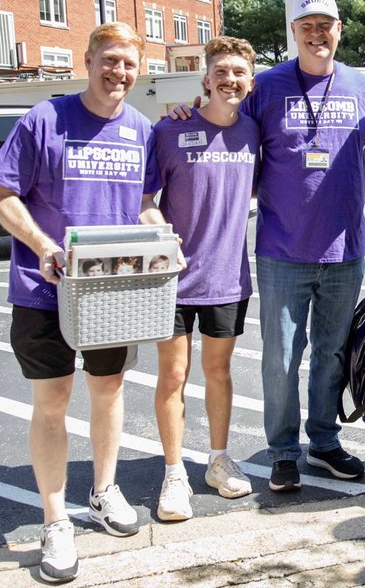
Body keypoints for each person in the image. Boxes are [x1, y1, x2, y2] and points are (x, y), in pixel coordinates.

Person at [170, 0, 365, 493]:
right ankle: (284, 450)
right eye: (307, 25)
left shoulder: (361, 87)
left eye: (326, 25)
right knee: (281, 359)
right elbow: (222, 121)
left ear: (340, 30)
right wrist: (189, 109)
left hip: (345, 250)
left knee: (332, 352)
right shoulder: (266, 87)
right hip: (281, 251)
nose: (318, 34)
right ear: (294, 32)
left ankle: (325, 442)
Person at [0, 22, 157, 584]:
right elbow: (1, 195)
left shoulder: (140, 129)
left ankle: (104, 490)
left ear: (139, 70)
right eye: (109, 60)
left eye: (129, 64)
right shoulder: (44, 120)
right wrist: (43, 244)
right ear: (87, 61)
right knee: (53, 401)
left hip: (110, 292)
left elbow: (145, 204)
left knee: (108, 389)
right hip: (44, 291)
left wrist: (160, 232)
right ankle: (56, 520)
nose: (119, 72)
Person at [142, 36, 260, 521]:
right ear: (205, 80)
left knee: (218, 372)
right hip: (172, 280)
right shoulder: (170, 130)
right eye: (222, 72)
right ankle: (173, 474)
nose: (230, 80)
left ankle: (217, 461)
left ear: (249, 83)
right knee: (173, 375)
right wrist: (161, 238)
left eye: (239, 73)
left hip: (228, 278)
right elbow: (146, 199)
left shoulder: (255, 132)